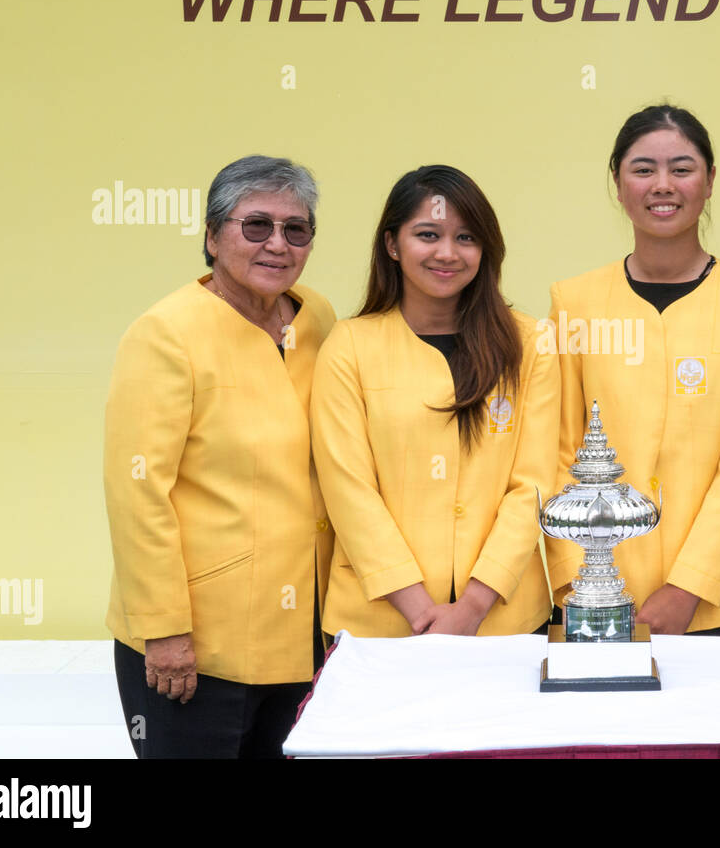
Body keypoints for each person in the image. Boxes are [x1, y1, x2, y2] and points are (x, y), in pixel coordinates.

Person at [104, 155, 336, 758]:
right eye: (255, 225)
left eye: (296, 228)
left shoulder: (317, 319)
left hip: (304, 631)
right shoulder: (166, 334)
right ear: (211, 237)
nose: (277, 244)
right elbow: (137, 492)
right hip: (197, 642)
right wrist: (163, 630)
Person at [546, 105, 720, 636]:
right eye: (643, 169)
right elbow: (561, 453)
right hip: (595, 598)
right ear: (617, 181)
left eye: (681, 169)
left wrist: (690, 586)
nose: (663, 185)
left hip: (711, 605)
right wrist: (576, 580)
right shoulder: (574, 302)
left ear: (710, 181)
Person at [311, 165, 556, 638]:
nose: (448, 253)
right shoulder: (349, 345)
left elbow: (534, 486)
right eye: (428, 235)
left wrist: (474, 605)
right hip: (378, 625)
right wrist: (419, 609)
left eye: (466, 238)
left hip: (505, 621)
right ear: (392, 245)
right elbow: (349, 489)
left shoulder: (530, 344)